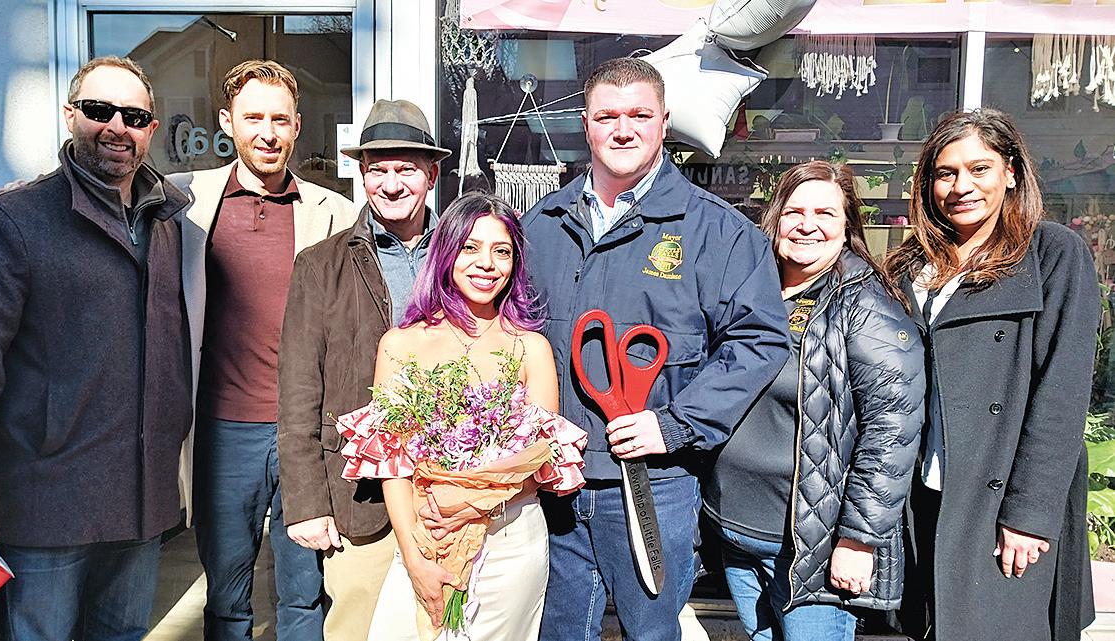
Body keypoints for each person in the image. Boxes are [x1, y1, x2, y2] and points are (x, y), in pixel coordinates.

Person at [522, 56, 791, 641]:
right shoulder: (541, 225)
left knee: (650, 633)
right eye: (607, 116)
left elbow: (759, 340)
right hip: (553, 483)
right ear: (585, 124)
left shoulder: (717, 232)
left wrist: (673, 424)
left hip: (654, 482)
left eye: (639, 115)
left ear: (664, 121)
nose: (623, 130)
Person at [0, 56, 191, 640]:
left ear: (152, 129)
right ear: (70, 115)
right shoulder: (13, 220)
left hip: (139, 510)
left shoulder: (162, 221)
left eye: (134, 116)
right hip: (43, 511)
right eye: (100, 110)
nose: (117, 127)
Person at [884, 108, 1099, 641]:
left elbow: (1062, 391)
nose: (962, 187)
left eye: (979, 169)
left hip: (1000, 495)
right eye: (946, 173)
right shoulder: (911, 263)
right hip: (923, 489)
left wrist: (1029, 513)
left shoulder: (1052, 252)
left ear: (1011, 172)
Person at [337, 191, 585, 641]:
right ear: (446, 252)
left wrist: (470, 502)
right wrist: (413, 556)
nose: (486, 263)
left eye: (502, 251)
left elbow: (541, 461)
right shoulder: (400, 344)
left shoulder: (530, 348)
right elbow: (392, 464)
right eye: (470, 247)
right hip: (426, 535)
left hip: (511, 542)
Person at [169, 59, 357, 641]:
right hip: (224, 432)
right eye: (253, 118)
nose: (268, 133)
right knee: (227, 599)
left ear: (298, 125)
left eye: (280, 119)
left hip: (307, 432)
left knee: (304, 593)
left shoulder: (335, 213)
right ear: (227, 122)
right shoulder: (183, 201)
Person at [701, 160, 925, 641]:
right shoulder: (749, 290)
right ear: (775, 219)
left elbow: (894, 428)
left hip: (811, 550)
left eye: (825, 213)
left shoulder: (867, 306)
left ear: (847, 227)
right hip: (735, 530)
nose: (807, 225)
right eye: (794, 212)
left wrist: (858, 539)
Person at [277, 98, 449, 641]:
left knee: (446, 626)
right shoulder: (320, 265)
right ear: (362, 174)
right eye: (378, 170)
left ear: (431, 175)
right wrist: (306, 503)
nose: (391, 185)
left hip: (452, 492)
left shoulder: (463, 257)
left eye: (406, 170)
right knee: (358, 627)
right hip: (359, 494)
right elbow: (298, 391)